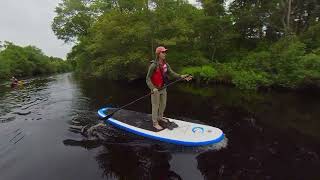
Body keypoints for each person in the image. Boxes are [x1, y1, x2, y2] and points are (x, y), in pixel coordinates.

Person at [146, 46, 192, 130]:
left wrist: (182, 76)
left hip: (163, 88)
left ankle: (160, 117)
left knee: (163, 104)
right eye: (163, 52)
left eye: (165, 52)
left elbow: (172, 73)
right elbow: (147, 78)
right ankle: (155, 123)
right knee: (155, 106)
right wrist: (152, 88)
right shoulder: (153, 65)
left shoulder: (166, 64)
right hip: (155, 89)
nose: (164, 54)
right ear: (158, 54)